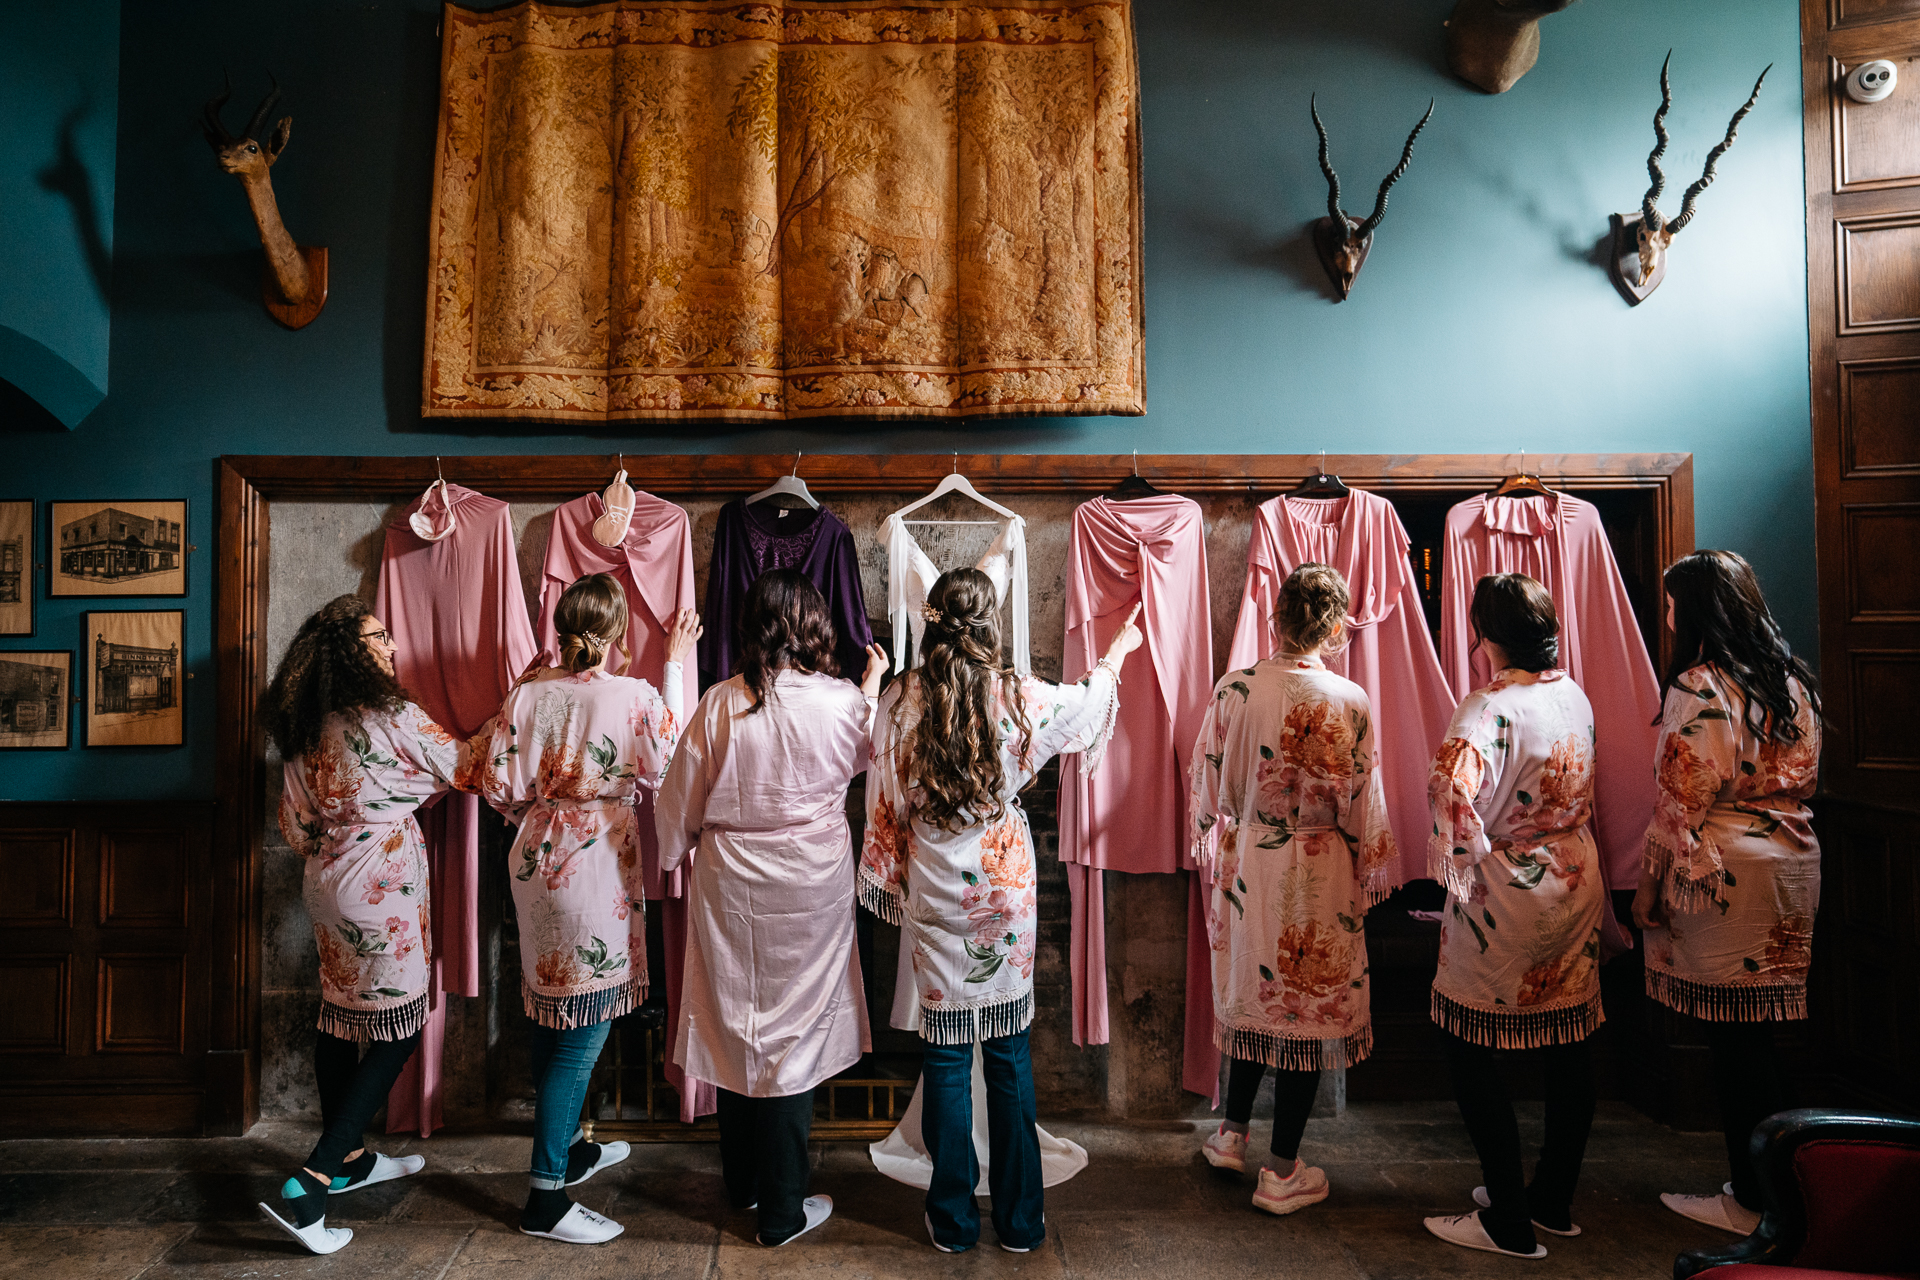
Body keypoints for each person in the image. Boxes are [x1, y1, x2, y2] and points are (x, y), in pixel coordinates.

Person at [858, 568, 1141, 1254]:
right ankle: (1020, 1219)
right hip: (1003, 883)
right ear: (990, 623)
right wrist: (1116, 655)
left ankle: (953, 1220)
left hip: (933, 884)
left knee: (949, 1058)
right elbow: (1085, 706)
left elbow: (887, 796)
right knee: (1010, 1055)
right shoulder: (1017, 695)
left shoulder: (901, 699)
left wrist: (889, 871)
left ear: (931, 622)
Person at [460, 574, 699, 1245]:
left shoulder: (528, 695)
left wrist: (543, 810)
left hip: (536, 857)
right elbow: (672, 759)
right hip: (593, 863)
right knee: (585, 1029)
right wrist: (674, 661)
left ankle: (569, 1147)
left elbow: (498, 784)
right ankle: (545, 1196)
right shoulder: (633, 695)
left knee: (550, 1010)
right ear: (620, 631)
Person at [655, 569, 889, 1247]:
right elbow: (865, 752)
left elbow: (680, 800)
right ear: (813, 626)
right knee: (792, 1037)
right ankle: (783, 1211)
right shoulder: (841, 699)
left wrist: (672, 852)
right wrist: (870, 690)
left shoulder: (723, 703)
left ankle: (745, 1183)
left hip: (732, 879)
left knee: (736, 1020)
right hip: (811, 880)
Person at [256, 596, 463, 1255]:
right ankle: (313, 1180)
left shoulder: (302, 722)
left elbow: (293, 826)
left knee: (340, 1017)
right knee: (402, 1027)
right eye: (379, 638)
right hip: (381, 891)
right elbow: (464, 766)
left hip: (325, 883)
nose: (393, 647)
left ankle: (346, 1165)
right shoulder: (390, 714)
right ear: (350, 649)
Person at [1189, 563, 1398, 1216]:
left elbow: (1206, 785)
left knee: (1255, 1001)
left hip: (1251, 862)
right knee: (1306, 1012)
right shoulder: (1350, 701)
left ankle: (1230, 1135)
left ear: (1275, 618)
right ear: (1335, 627)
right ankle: (1281, 1172)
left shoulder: (1235, 689)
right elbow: (1365, 808)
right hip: (1319, 867)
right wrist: (1368, 868)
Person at [1633, 550, 1821, 1235]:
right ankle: (1790, 1188)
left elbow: (1681, 798)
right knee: (1764, 1040)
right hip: (1794, 859)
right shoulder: (1793, 680)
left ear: (1698, 611)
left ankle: (1753, 1198)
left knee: (1733, 1045)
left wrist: (1648, 887)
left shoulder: (1701, 685)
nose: (1670, 616)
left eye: (1675, 605)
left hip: (1725, 865)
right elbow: (1804, 772)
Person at [1420, 574, 1607, 1260]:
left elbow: (1450, 797)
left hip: (1506, 890)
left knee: (1468, 1045)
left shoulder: (1486, 709)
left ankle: (1508, 1218)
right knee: (1568, 1041)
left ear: (1485, 634)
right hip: (1574, 875)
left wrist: (1463, 864)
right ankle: (1551, 1197)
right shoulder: (1573, 694)